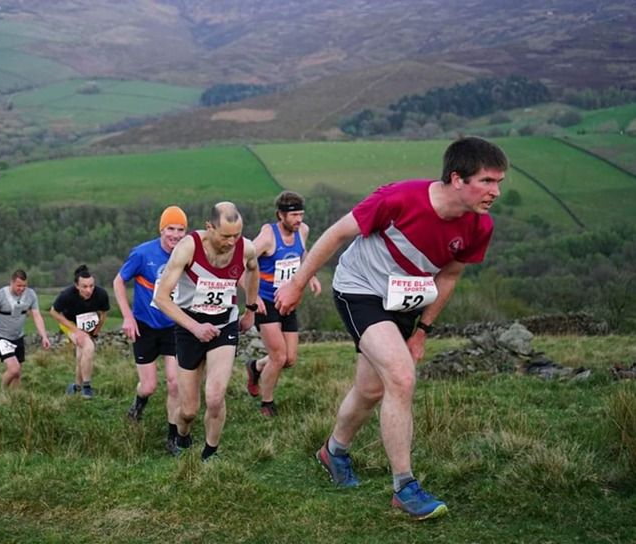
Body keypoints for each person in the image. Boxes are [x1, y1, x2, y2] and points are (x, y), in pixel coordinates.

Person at [275, 136, 507, 520]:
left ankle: (333, 452)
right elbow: (336, 233)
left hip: (404, 305)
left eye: (499, 182)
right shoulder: (399, 199)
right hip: (359, 291)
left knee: (369, 390)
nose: (495, 191)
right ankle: (405, 488)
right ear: (457, 179)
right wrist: (297, 284)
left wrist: (422, 331)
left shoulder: (479, 226)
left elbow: (449, 275)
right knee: (401, 377)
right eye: (487, 181)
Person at [154, 202, 261, 461]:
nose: (232, 241)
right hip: (189, 326)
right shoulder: (188, 248)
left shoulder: (245, 248)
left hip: (224, 325)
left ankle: (210, 453)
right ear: (209, 227)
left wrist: (251, 309)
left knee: (214, 397)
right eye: (225, 236)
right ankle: (182, 434)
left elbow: (254, 269)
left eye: (237, 234)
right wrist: (195, 327)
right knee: (188, 409)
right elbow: (161, 298)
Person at [114, 206, 188, 453]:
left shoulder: (188, 253)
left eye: (180, 230)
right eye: (171, 229)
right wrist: (127, 317)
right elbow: (118, 281)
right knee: (149, 386)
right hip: (145, 326)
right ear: (161, 229)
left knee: (175, 383)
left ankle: (172, 438)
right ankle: (138, 404)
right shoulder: (143, 253)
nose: (175, 235)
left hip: (173, 326)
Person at [245, 191, 321, 417]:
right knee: (278, 356)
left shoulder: (303, 231)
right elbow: (242, 262)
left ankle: (256, 367)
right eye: (294, 215)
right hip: (266, 302)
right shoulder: (268, 236)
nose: (298, 220)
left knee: (289, 359)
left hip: (288, 301)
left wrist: (311, 276)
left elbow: (303, 254)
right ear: (280, 215)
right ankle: (267, 403)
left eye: (301, 214)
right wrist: (253, 296)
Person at [0, 269, 51, 391]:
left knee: (18, 373)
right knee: (14, 369)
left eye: (24, 286)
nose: (21, 289)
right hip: (1, 337)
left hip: (18, 336)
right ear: (12, 282)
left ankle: (15, 398)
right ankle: (2, 392)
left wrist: (44, 336)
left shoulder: (31, 295)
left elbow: (36, 315)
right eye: (19, 285)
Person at [50, 264, 110, 398]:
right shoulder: (66, 295)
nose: (89, 290)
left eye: (91, 286)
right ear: (77, 286)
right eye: (84, 287)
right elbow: (53, 312)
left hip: (87, 323)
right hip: (69, 323)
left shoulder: (101, 294)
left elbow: (103, 314)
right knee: (88, 347)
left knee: (82, 355)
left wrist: (96, 331)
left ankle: (76, 387)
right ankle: (87, 388)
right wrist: (75, 330)